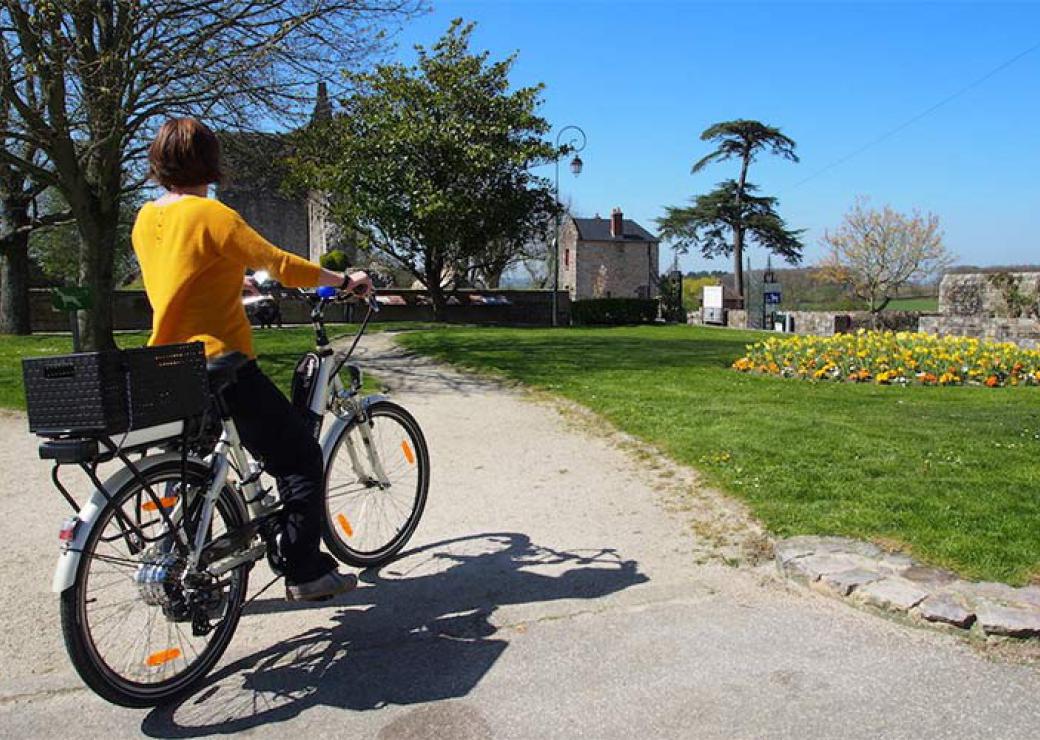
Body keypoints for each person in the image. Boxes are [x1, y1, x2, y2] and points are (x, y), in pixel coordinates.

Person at [131, 117, 372, 601]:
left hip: (168, 363)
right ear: (211, 162)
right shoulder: (212, 215)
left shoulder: (145, 218)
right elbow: (281, 264)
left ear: (159, 163)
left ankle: (193, 552)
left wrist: (227, 279)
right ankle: (305, 572)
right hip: (222, 362)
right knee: (300, 458)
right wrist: (345, 281)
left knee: (205, 460)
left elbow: (179, 275)